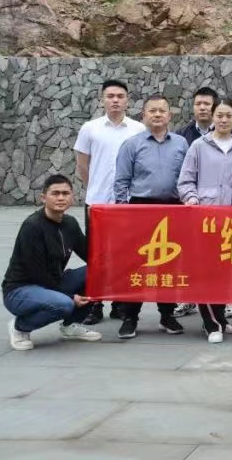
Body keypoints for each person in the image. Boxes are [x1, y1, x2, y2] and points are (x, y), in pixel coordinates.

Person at [112, 93, 189, 339]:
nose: (157, 114)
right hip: (140, 209)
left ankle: (167, 315)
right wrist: (124, 214)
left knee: (169, 265)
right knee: (137, 264)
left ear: (169, 115)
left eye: (161, 110)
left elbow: (188, 178)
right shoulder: (132, 144)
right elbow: (121, 182)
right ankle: (130, 317)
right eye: (152, 111)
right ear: (143, 115)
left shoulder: (181, 144)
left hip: (173, 209)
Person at [74, 78, 146, 325]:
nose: (115, 100)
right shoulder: (90, 128)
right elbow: (83, 165)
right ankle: (95, 304)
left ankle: (120, 304)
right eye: (110, 96)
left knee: (127, 255)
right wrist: (95, 188)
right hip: (98, 203)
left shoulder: (138, 129)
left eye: (120, 96)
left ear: (127, 100)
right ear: (102, 99)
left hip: (128, 204)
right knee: (97, 255)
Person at [3, 175, 102, 350]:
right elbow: (37, 274)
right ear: (43, 198)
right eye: (55, 193)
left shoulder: (70, 223)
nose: (61, 198)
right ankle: (19, 327)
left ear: (72, 197)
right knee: (64, 304)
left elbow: (91, 255)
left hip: (53, 283)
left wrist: (95, 224)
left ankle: (70, 325)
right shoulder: (33, 226)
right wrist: (71, 297)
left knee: (99, 271)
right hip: (21, 290)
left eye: (65, 193)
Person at [177, 97, 232, 344]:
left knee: (225, 272)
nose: (224, 120)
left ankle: (221, 317)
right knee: (205, 271)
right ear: (213, 117)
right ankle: (210, 323)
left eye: (228, 115)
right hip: (204, 219)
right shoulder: (198, 146)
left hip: (231, 220)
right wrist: (193, 199)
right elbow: (185, 181)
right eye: (220, 115)